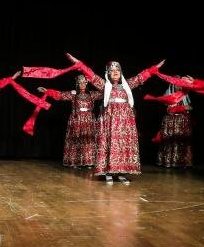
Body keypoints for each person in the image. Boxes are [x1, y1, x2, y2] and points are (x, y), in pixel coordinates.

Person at [68, 53, 164, 184]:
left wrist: (154, 69)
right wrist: (78, 63)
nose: (115, 72)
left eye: (117, 70)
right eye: (112, 70)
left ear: (121, 72)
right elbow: (91, 75)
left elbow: (141, 77)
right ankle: (108, 172)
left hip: (125, 121)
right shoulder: (104, 85)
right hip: (110, 120)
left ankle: (120, 173)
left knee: (122, 145)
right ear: (108, 73)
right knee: (110, 143)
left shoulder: (127, 85)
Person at [36, 75, 103, 168]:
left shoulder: (92, 94)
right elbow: (60, 95)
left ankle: (89, 161)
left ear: (87, 83)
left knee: (88, 140)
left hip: (89, 120)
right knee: (75, 140)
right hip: (76, 119)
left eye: (84, 82)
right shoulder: (73, 94)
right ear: (77, 84)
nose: (82, 84)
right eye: (80, 83)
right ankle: (74, 162)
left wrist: (92, 80)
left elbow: (104, 92)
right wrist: (47, 91)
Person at [143, 78, 194, 169]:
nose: (179, 86)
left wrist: (186, 108)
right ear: (173, 85)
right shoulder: (169, 95)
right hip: (171, 122)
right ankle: (169, 161)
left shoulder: (185, 94)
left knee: (181, 142)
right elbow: (170, 109)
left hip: (183, 122)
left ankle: (182, 162)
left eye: (180, 83)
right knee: (170, 141)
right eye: (176, 84)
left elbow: (190, 107)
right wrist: (182, 108)